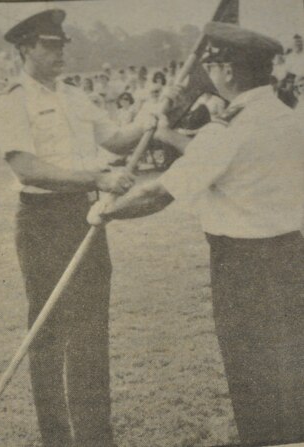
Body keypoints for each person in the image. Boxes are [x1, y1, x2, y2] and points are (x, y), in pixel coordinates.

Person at [89, 22, 304, 447]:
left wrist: (106, 211)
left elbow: (158, 194)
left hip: (246, 265)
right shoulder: (286, 115)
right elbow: (214, 157)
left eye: (213, 66)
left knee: (255, 370)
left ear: (226, 71)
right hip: (292, 253)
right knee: (291, 363)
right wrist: (168, 130)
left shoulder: (230, 128)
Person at [0, 9, 155, 447]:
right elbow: (27, 168)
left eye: (62, 43)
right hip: (43, 220)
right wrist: (97, 179)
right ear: (25, 48)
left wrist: (151, 122)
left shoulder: (76, 95)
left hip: (85, 217)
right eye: (50, 44)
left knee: (91, 332)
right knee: (49, 335)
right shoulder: (11, 100)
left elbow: (116, 139)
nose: (60, 50)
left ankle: (95, 437)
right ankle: (58, 438)